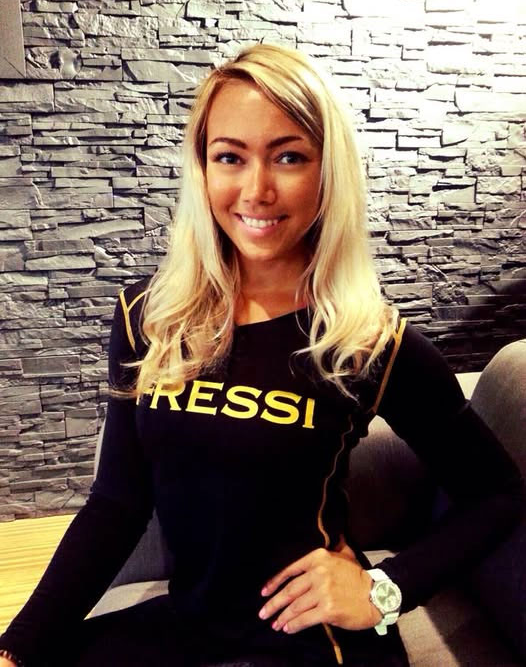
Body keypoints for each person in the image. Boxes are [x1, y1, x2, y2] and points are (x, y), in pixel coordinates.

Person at [0, 43, 523, 667]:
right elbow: (117, 502)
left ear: (327, 173)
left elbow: (496, 493)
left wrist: (386, 590)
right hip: (189, 623)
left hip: (312, 641)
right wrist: (18, 647)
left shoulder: (370, 341)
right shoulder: (148, 316)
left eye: (289, 157)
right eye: (230, 156)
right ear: (203, 169)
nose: (256, 190)